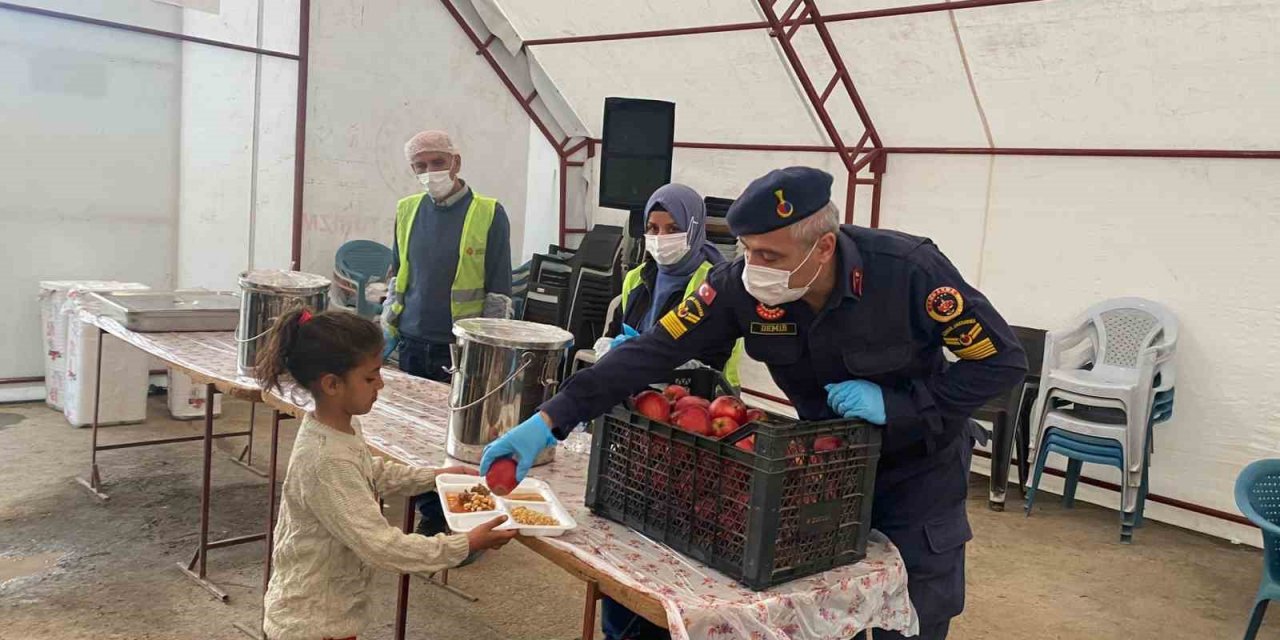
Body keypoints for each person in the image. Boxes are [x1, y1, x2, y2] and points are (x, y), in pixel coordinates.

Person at [481, 167, 1028, 640]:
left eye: (769, 254)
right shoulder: (739, 287)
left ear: (824, 246)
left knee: (909, 617)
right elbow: (651, 352)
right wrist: (550, 419)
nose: (753, 265)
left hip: (917, 478)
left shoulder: (909, 273)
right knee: (815, 610)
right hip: (823, 471)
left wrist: (903, 406)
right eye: (746, 250)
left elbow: (1002, 365)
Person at [254, 307, 516, 640]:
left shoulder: (336, 429)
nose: (381, 382)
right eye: (370, 376)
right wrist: (462, 544)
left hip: (325, 615)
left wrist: (436, 476)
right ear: (332, 384)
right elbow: (381, 546)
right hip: (312, 625)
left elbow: (370, 471)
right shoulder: (327, 461)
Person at [381, 129, 513, 539]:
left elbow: (498, 288)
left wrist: (489, 347)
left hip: (460, 348)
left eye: (437, 163)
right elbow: (397, 275)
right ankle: (431, 515)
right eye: (420, 166)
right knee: (416, 436)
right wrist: (387, 325)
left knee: (459, 440)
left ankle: (467, 522)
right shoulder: (406, 210)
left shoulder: (489, 212)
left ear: (456, 163)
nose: (429, 172)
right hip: (412, 339)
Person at [593, 183, 740, 387]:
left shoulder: (715, 284)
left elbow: (710, 360)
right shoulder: (637, 277)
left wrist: (641, 358)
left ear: (694, 228)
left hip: (702, 400)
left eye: (673, 228)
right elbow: (613, 335)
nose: (660, 238)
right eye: (653, 228)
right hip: (636, 393)